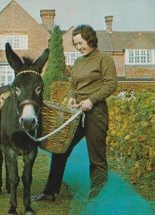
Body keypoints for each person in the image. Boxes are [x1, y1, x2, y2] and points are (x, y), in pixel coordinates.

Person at [32, 24, 118, 201]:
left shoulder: (104, 59)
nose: (78, 47)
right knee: (60, 149)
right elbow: (72, 84)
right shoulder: (78, 62)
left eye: (80, 43)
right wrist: (72, 97)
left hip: (96, 113)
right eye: (76, 44)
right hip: (76, 112)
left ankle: (97, 199)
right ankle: (50, 192)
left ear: (90, 39)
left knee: (97, 158)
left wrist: (91, 100)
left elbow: (110, 84)